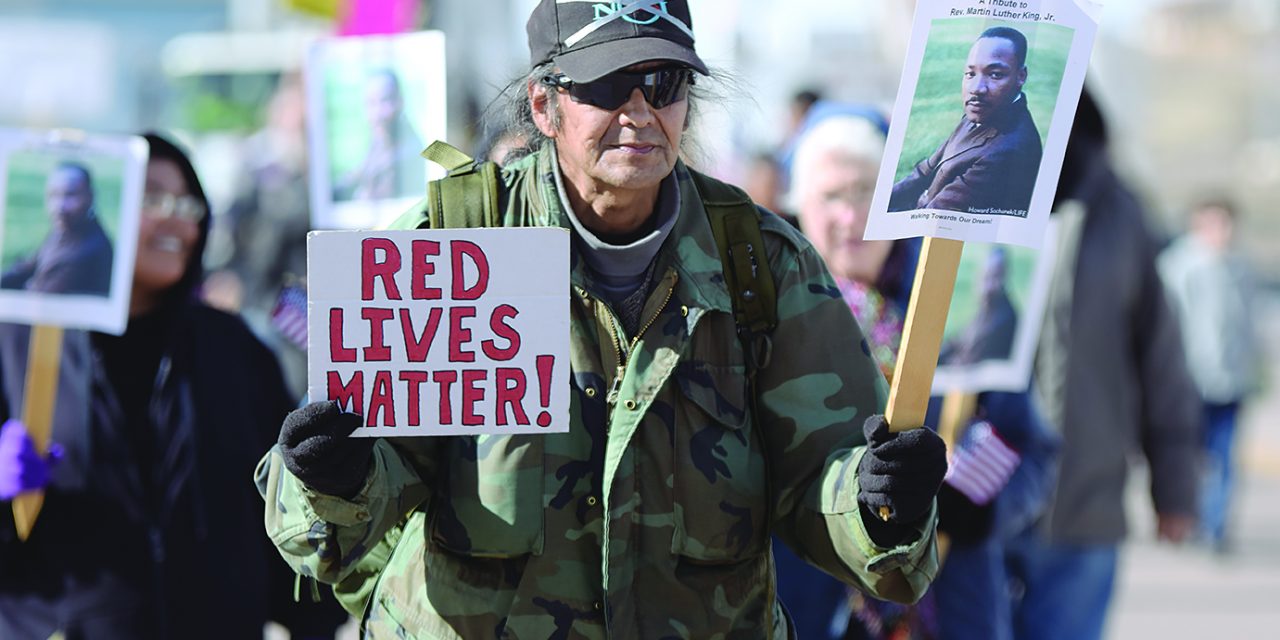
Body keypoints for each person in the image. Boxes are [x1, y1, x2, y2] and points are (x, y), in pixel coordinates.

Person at [256, 1, 949, 637]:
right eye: (608, 84)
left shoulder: (762, 264)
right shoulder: (447, 249)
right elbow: (341, 522)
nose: (641, 111)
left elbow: (825, 482)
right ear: (545, 104)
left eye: (665, 81)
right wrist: (334, 476)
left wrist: (877, 501)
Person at [0, 133, 347, 639]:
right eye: (151, 199)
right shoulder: (18, 342)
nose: (176, 219)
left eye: (188, 203)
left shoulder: (233, 346)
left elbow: (282, 505)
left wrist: (314, 620)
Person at [779, 108, 1057, 640]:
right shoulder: (773, 317)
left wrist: (983, 510)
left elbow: (1032, 446)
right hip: (813, 608)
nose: (850, 217)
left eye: (865, 192)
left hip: (952, 605)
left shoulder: (963, 306)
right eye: (830, 197)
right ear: (798, 208)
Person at [1006, 87, 1200, 640]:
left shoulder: (1119, 209)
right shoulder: (961, 191)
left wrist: (1176, 485)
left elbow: (1159, 353)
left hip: (1085, 506)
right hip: (974, 506)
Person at [1158, 197, 1260, 553]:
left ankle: (1216, 528)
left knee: (1225, 456)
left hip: (1230, 380)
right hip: (1188, 380)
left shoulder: (1241, 269)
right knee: (1189, 456)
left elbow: (1248, 326)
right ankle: (1186, 518)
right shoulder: (1176, 267)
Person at [889, 26, 1042, 216]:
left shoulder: (1007, 150)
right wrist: (879, 204)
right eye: (971, 74)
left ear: (1021, 76)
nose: (977, 88)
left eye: (995, 74)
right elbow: (926, 170)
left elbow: (935, 214)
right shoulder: (983, 111)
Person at [1, 161, 113, 296]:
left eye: (70, 195)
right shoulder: (66, 229)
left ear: (90, 196)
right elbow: (25, 267)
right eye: (53, 195)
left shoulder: (89, 250)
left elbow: (38, 299)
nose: (59, 207)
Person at [333, 68, 424, 202]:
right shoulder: (380, 140)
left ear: (400, 102)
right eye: (370, 103)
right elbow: (359, 172)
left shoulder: (409, 154)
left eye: (385, 101)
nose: (377, 114)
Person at [939, 247, 1019, 366]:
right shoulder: (986, 310)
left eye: (995, 277)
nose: (988, 287)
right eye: (985, 278)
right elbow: (959, 340)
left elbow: (969, 360)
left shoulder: (1004, 319)